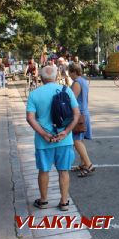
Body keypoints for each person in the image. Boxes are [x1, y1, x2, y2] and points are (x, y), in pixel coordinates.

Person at [26, 65, 80, 211]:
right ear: (56, 77)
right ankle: (64, 202)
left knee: (44, 171)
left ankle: (43, 201)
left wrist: (44, 134)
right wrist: (66, 131)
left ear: (41, 78)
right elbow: (76, 115)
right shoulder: (67, 90)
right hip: (64, 139)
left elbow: (30, 118)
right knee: (64, 171)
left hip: (43, 141)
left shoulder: (34, 94)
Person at [68, 63, 94, 177]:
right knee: (80, 139)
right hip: (84, 113)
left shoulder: (77, 82)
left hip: (79, 114)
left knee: (76, 140)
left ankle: (88, 164)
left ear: (74, 72)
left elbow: (72, 100)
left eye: (69, 72)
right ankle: (83, 163)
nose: (69, 74)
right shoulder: (83, 81)